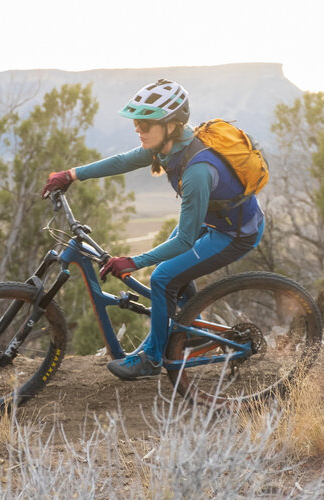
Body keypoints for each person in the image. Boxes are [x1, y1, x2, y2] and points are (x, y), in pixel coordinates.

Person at [41, 79, 265, 380]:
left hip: (234, 234)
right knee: (172, 269)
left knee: (162, 277)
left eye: (145, 124)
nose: (138, 129)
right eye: (137, 122)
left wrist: (133, 262)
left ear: (171, 126)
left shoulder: (198, 170)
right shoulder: (168, 147)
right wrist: (71, 174)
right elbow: (123, 161)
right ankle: (193, 327)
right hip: (211, 221)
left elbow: (185, 240)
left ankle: (152, 358)